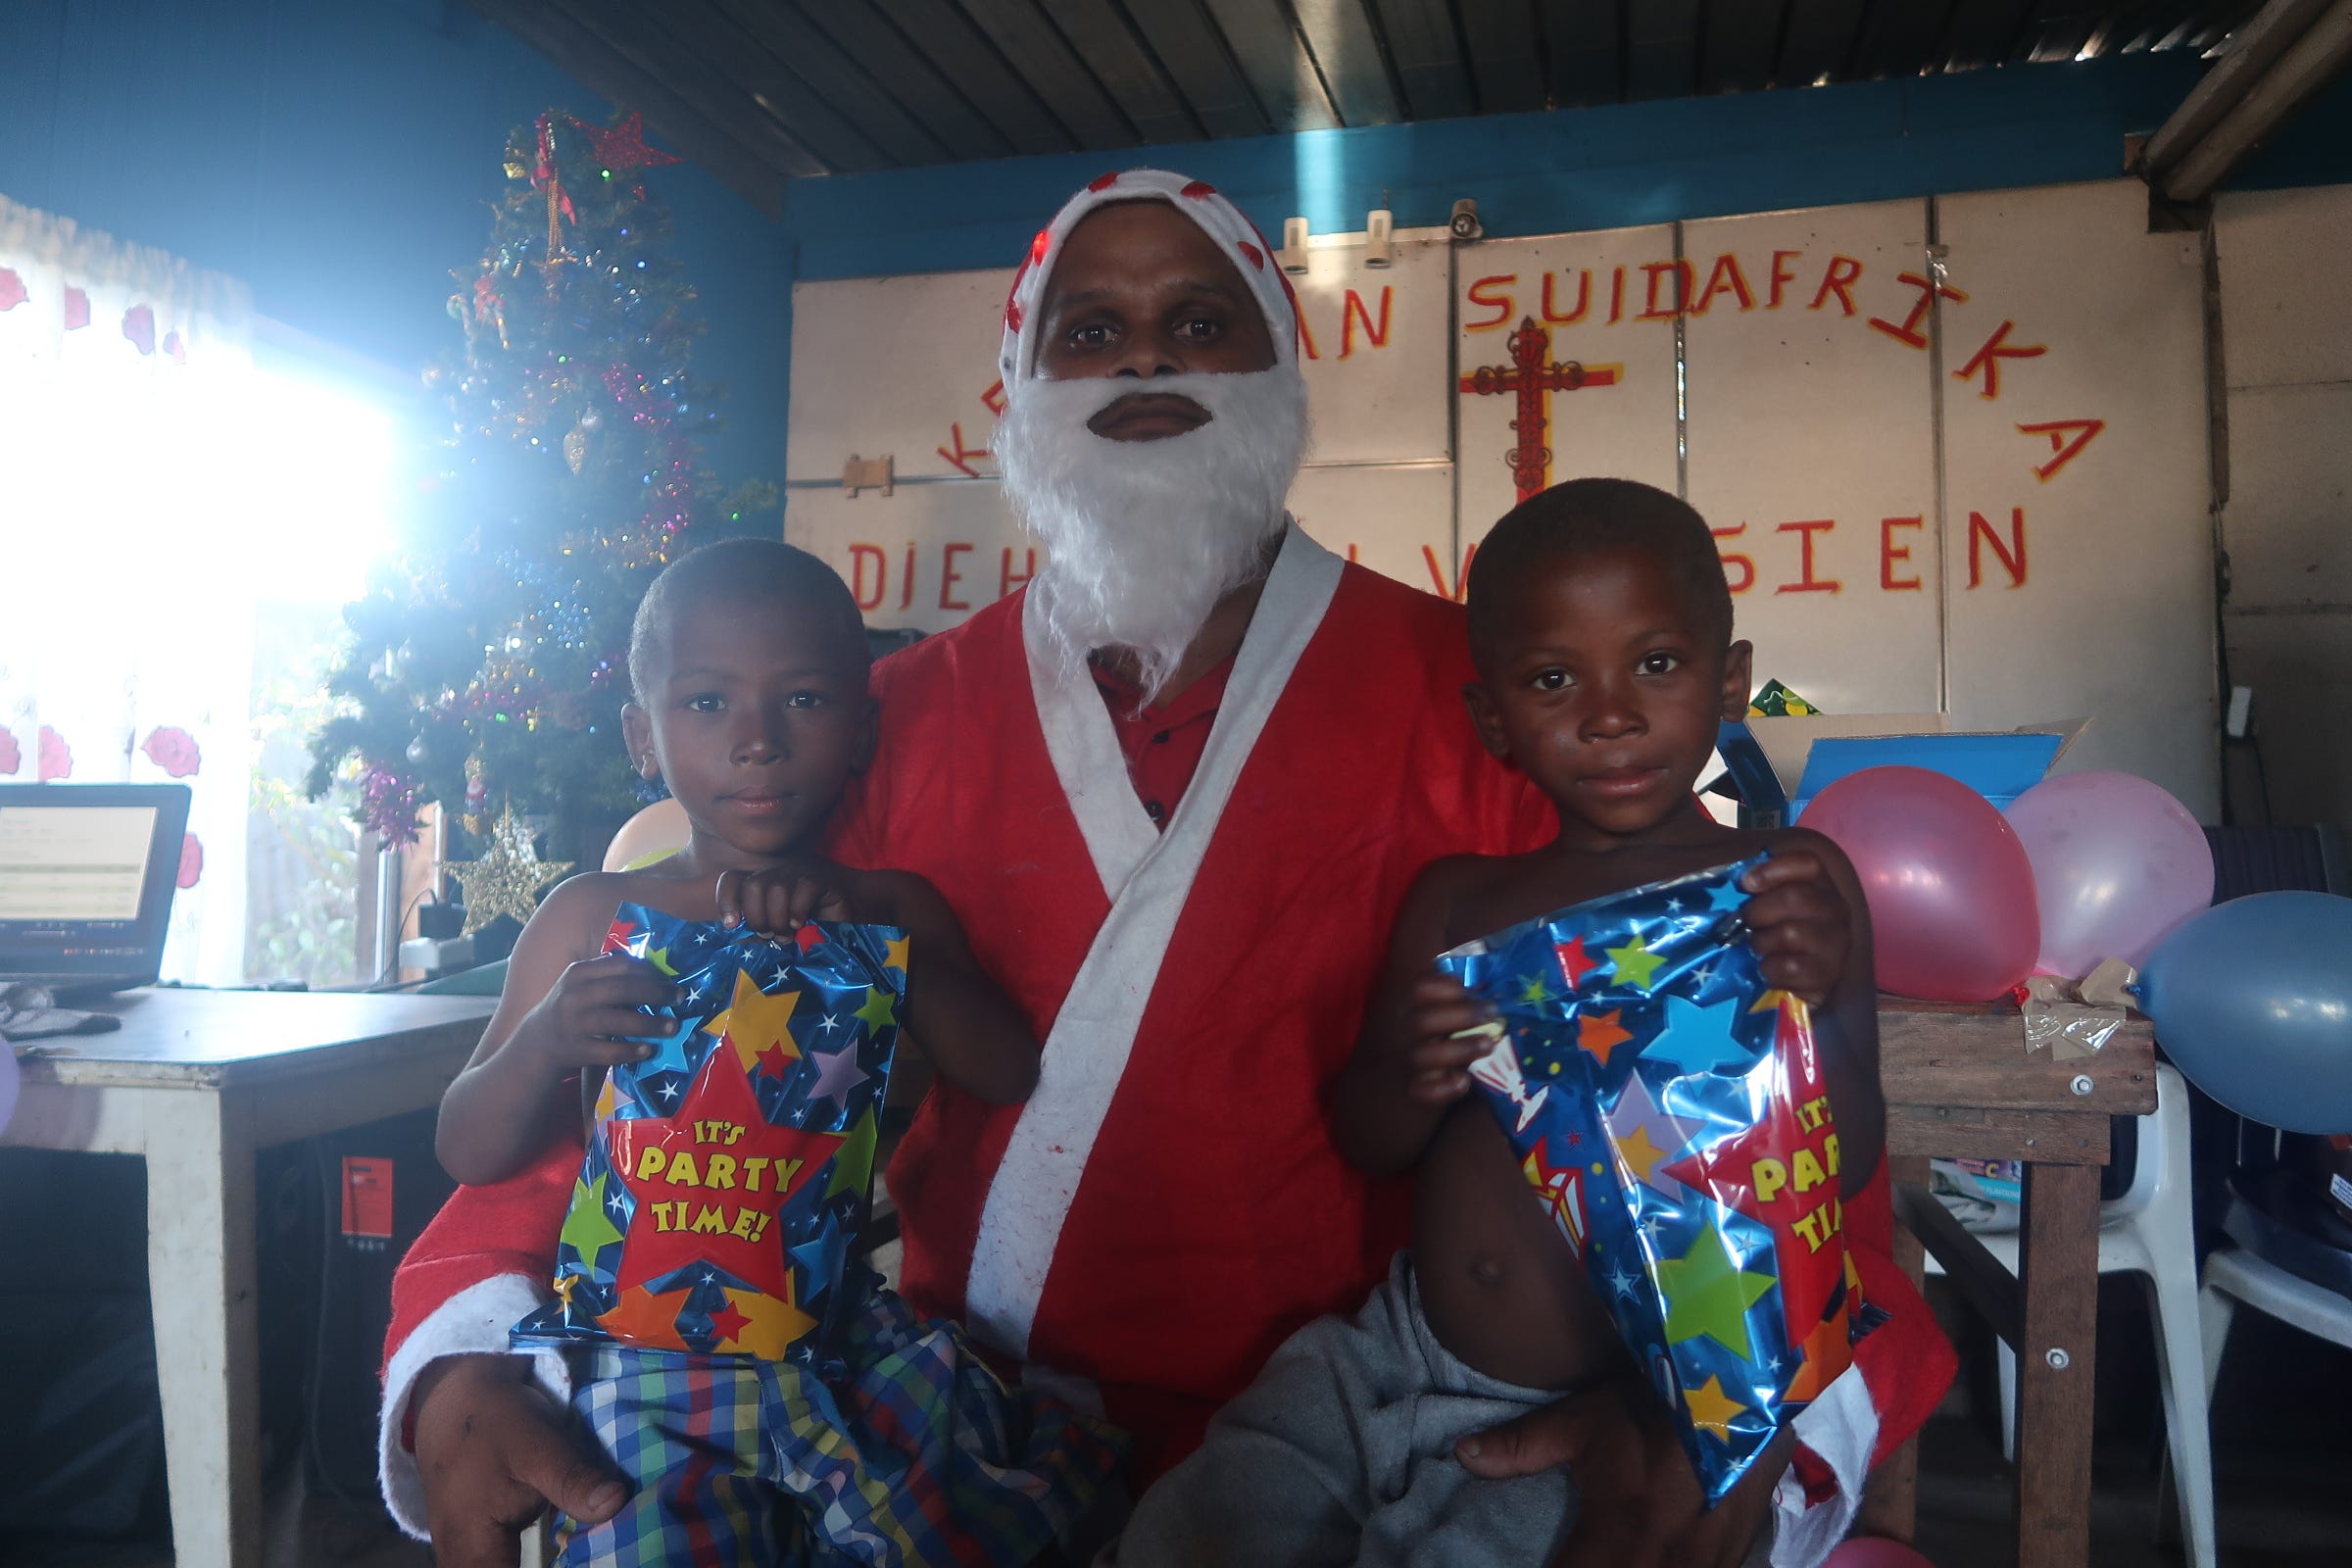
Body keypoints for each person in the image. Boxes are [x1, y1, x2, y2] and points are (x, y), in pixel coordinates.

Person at [376, 171, 1948, 1568]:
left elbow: (1761, 1113)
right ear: (1021, 386)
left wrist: (1733, 1416)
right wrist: (463, 1355)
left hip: (1401, 1439)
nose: (1143, 357)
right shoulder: (870, 725)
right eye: (1090, 330)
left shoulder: (1493, 699)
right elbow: (636, 1056)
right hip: (938, 1434)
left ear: (1279, 376)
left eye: (1203, 322)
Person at [1108, 479, 1914, 1568]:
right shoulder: (1460, 901)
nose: (1611, 712)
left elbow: (1849, 1161)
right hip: (1395, 1353)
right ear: (1494, 722)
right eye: (1552, 680)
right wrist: (1412, 1067)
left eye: (1658, 664)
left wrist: (1811, 1005)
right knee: (1195, 1521)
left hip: (1629, 1402)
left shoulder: (1784, 886)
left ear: (1730, 681)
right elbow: (1370, 1139)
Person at [428, 536, 1119, 1564]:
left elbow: (1008, 1071)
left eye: (802, 701)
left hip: (840, 1339)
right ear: (642, 736)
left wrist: (870, 950)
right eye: (707, 703)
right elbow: (465, 1144)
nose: (757, 742)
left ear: (862, 729)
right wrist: (543, 1044)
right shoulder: (592, 916)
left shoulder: (892, 908)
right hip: (645, 1366)